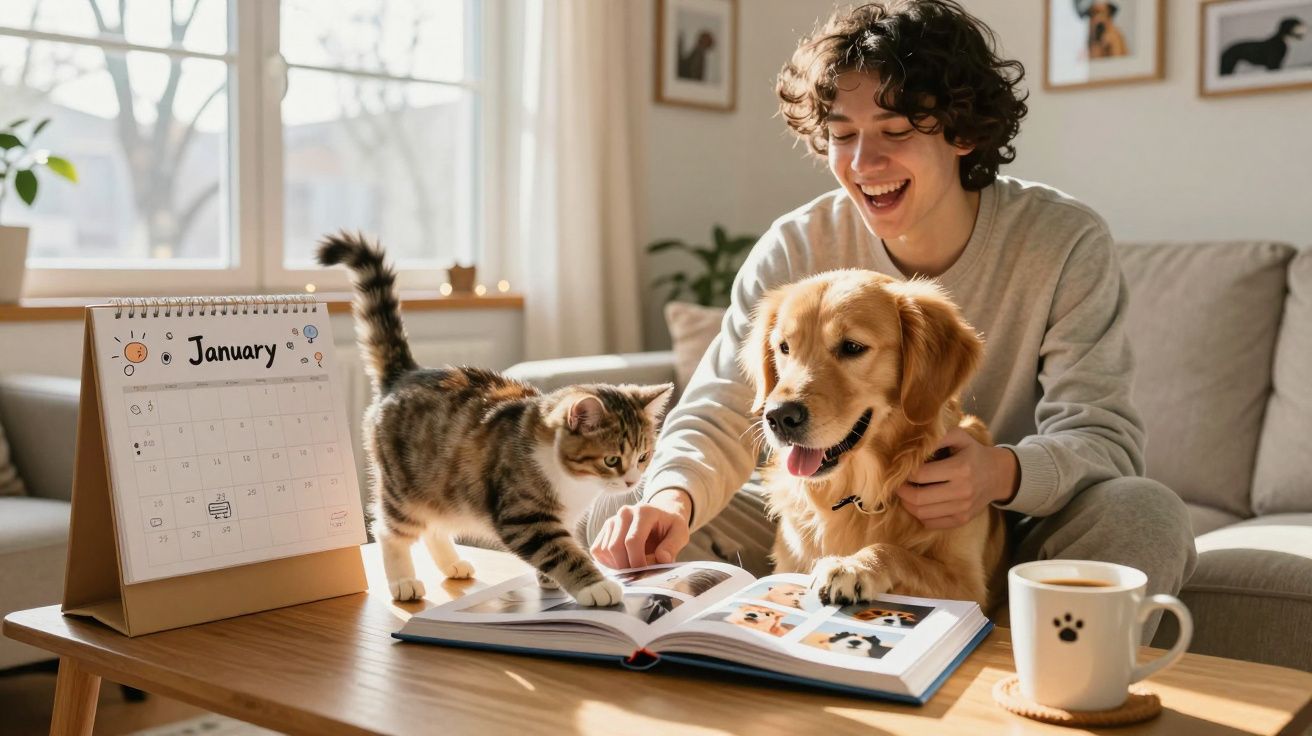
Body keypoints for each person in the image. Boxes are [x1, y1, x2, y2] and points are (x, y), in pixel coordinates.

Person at [590, 0, 1195, 640]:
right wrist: (671, 498)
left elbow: (1102, 438)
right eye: (842, 134)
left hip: (1007, 520)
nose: (862, 163)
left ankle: (1047, 678)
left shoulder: (1062, 242)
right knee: (621, 514)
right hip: (815, 504)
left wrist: (999, 473)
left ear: (962, 132)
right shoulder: (793, 246)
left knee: (1146, 511)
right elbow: (722, 406)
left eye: (896, 130)